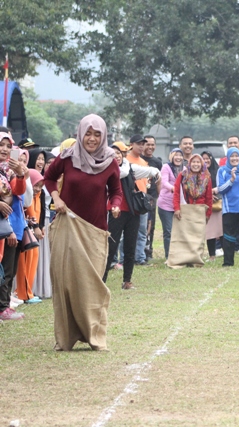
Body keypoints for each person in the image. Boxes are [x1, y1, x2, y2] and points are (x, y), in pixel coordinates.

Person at [44, 114, 123, 350]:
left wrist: (116, 204)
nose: (91, 138)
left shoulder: (110, 161)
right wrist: (56, 197)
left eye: (96, 134)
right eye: (88, 133)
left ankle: (95, 337)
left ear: (103, 136)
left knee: (92, 284)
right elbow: (48, 178)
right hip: (67, 226)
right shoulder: (67, 157)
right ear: (80, 133)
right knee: (66, 283)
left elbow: (116, 190)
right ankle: (66, 338)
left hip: (95, 231)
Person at [103, 141, 160, 290]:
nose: (117, 156)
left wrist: (156, 173)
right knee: (111, 246)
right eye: (113, 153)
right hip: (115, 213)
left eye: (119, 153)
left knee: (130, 247)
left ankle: (127, 281)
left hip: (132, 212)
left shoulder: (130, 168)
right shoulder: (105, 170)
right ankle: (101, 281)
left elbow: (148, 170)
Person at [0, 132, 28, 320]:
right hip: (5, 225)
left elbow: (20, 192)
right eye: (1, 145)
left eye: (8, 146)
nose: (5, 149)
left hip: (8, 224)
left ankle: (3, 307)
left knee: (7, 269)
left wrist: (20, 173)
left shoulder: (8, 171)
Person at [15, 169, 45, 304]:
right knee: (23, 263)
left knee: (33, 260)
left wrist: (40, 226)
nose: (38, 189)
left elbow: (41, 212)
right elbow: (29, 212)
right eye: (36, 185)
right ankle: (23, 293)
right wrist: (36, 226)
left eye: (40, 186)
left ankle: (28, 292)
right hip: (27, 231)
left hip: (33, 233)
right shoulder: (27, 196)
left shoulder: (38, 196)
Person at [32, 151, 55, 299]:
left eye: (43, 159)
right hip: (35, 221)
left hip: (44, 220)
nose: (42, 163)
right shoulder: (32, 178)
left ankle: (41, 288)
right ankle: (32, 288)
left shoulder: (49, 180)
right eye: (39, 159)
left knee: (42, 255)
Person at [126, 134, 151, 266]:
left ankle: (139, 258)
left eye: (143, 144)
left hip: (142, 200)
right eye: (139, 144)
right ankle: (123, 258)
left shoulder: (144, 163)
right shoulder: (125, 160)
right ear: (131, 145)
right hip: (129, 199)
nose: (142, 147)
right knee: (127, 231)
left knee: (142, 230)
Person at [157, 148, 183, 259]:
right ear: (171, 156)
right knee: (168, 231)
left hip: (180, 204)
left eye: (180, 155)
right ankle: (169, 257)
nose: (178, 157)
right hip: (166, 204)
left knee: (179, 231)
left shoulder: (185, 169)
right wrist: (174, 188)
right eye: (176, 155)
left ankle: (179, 254)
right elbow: (164, 182)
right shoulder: (166, 167)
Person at [141, 135, 163, 261]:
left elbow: (159, 181)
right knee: (140, 226)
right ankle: (138, 252)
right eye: (147, 144)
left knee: (151, 224)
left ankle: (148, 252)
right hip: (140, 196)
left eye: (152, 144)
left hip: (152, 197)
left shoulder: (157, 162)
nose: (150, 147)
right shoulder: (138, 159)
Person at [201, 151, 222, 261]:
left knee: (221, 230)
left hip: (218, 204)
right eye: (203, 158)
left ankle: (226, 253)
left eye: (208, 158)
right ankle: (212, 255)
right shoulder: (199, 173)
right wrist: (208, 195)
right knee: (210, 232)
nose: (206, 160)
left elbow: (222, 185)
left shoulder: (218, 171)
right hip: (206, 205)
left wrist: (215, 193)